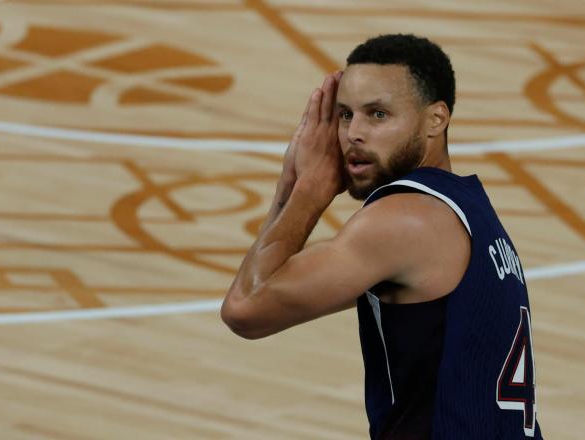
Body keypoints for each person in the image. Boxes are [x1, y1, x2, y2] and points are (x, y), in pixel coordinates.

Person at [221, 34, 541, 439]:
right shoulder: (470, 209)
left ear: (435, 120)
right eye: (344, 115)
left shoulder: (403, 220)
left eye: (377, 115)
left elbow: (246, 310)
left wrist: (303, 189)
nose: (353, 133)